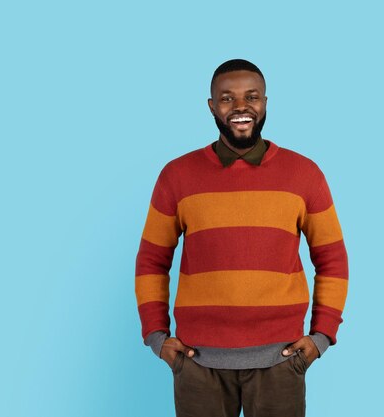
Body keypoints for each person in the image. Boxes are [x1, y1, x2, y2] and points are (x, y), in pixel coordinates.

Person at [135, 58, 349, 417]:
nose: (240, 107)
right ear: (211, 106)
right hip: (197, 363)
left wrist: (321, 337)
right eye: (226, 98)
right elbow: (152, 260)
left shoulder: (305, 174)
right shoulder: (176, 176)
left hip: (281, 361)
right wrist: (156, 336)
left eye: (251, 97)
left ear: (265, 102)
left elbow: (332, 259)